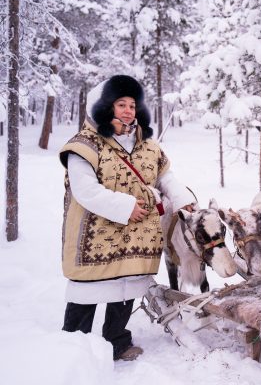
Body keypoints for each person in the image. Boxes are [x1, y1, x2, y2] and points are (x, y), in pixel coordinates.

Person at [59, 75, 195, 361]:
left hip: (138, 234)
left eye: (132, 105)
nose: (128, 110)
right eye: (121, 104)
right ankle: (72, 349)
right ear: (106, 106)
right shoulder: (85, 144)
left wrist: (183, 199)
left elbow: (165, 177)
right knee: (89, 290)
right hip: (96, 237)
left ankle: (116, 340)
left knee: (125, 287)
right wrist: (125, 206)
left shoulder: (147, 144)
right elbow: (85, 190)